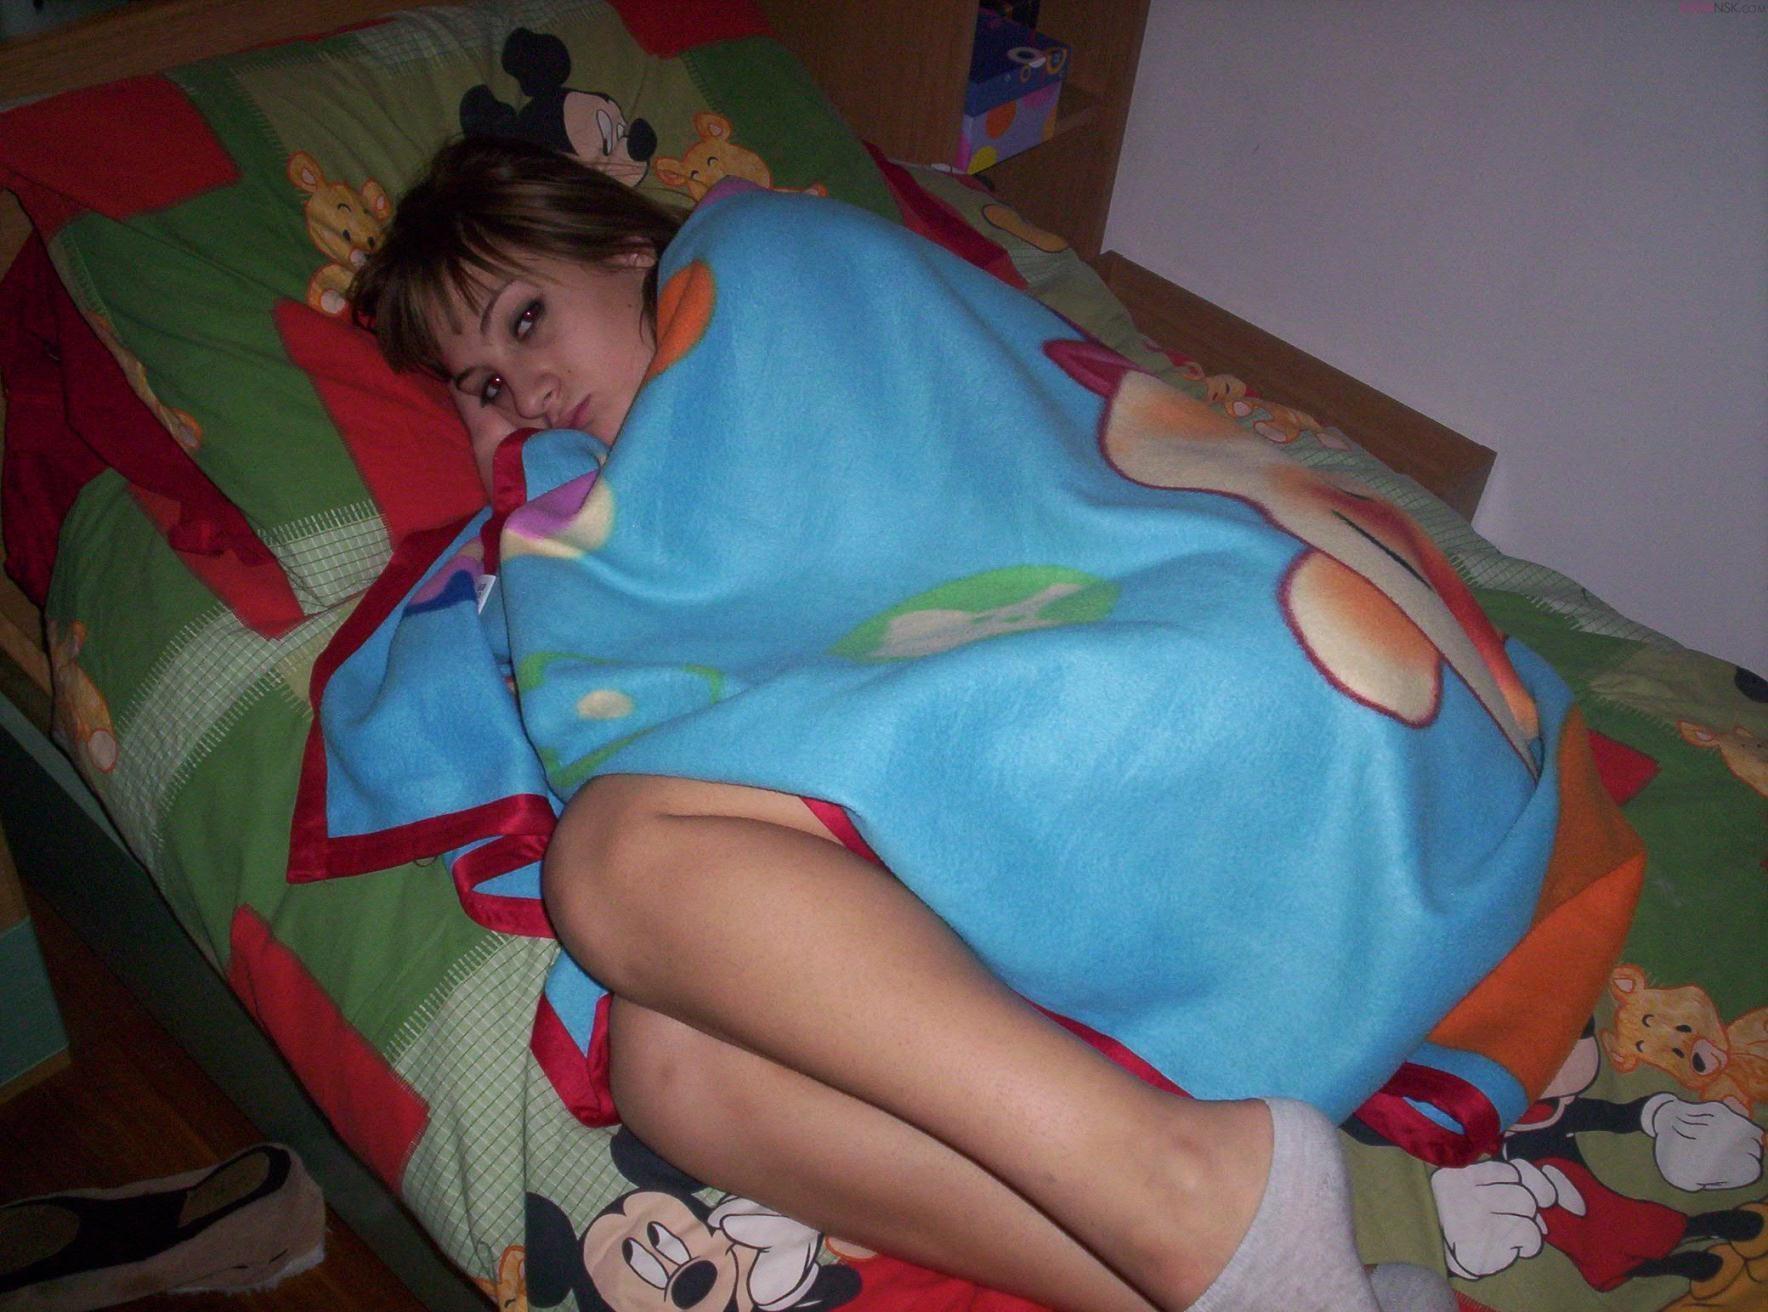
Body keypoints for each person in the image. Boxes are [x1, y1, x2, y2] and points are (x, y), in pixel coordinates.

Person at [352, 137, 1466, 1312]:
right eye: (480, 389)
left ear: (631, 252)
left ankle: (1206, 1188)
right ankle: (1258, 1277)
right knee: (674, 1068)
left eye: (527, 320)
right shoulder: (600, 518)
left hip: (1228, 655)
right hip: (1015, 732)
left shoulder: (758, 260)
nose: (524, 391)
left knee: (617, 857)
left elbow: (947, 497)